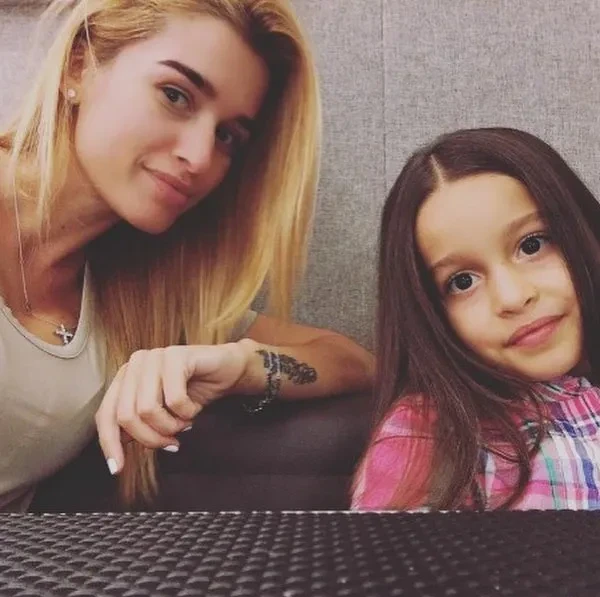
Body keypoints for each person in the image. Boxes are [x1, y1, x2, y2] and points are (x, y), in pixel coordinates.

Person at [0, 0, 374, 511]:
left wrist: (243, 365)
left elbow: (355, 362)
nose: (200, 158)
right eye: (175, 95)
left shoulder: (141, 291)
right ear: (78, 66)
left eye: (227, 136)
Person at [352, 127, 600, 511]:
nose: (513, 297)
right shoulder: (426, 435)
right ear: (432, 315)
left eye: (532, 244)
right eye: (463, 282)